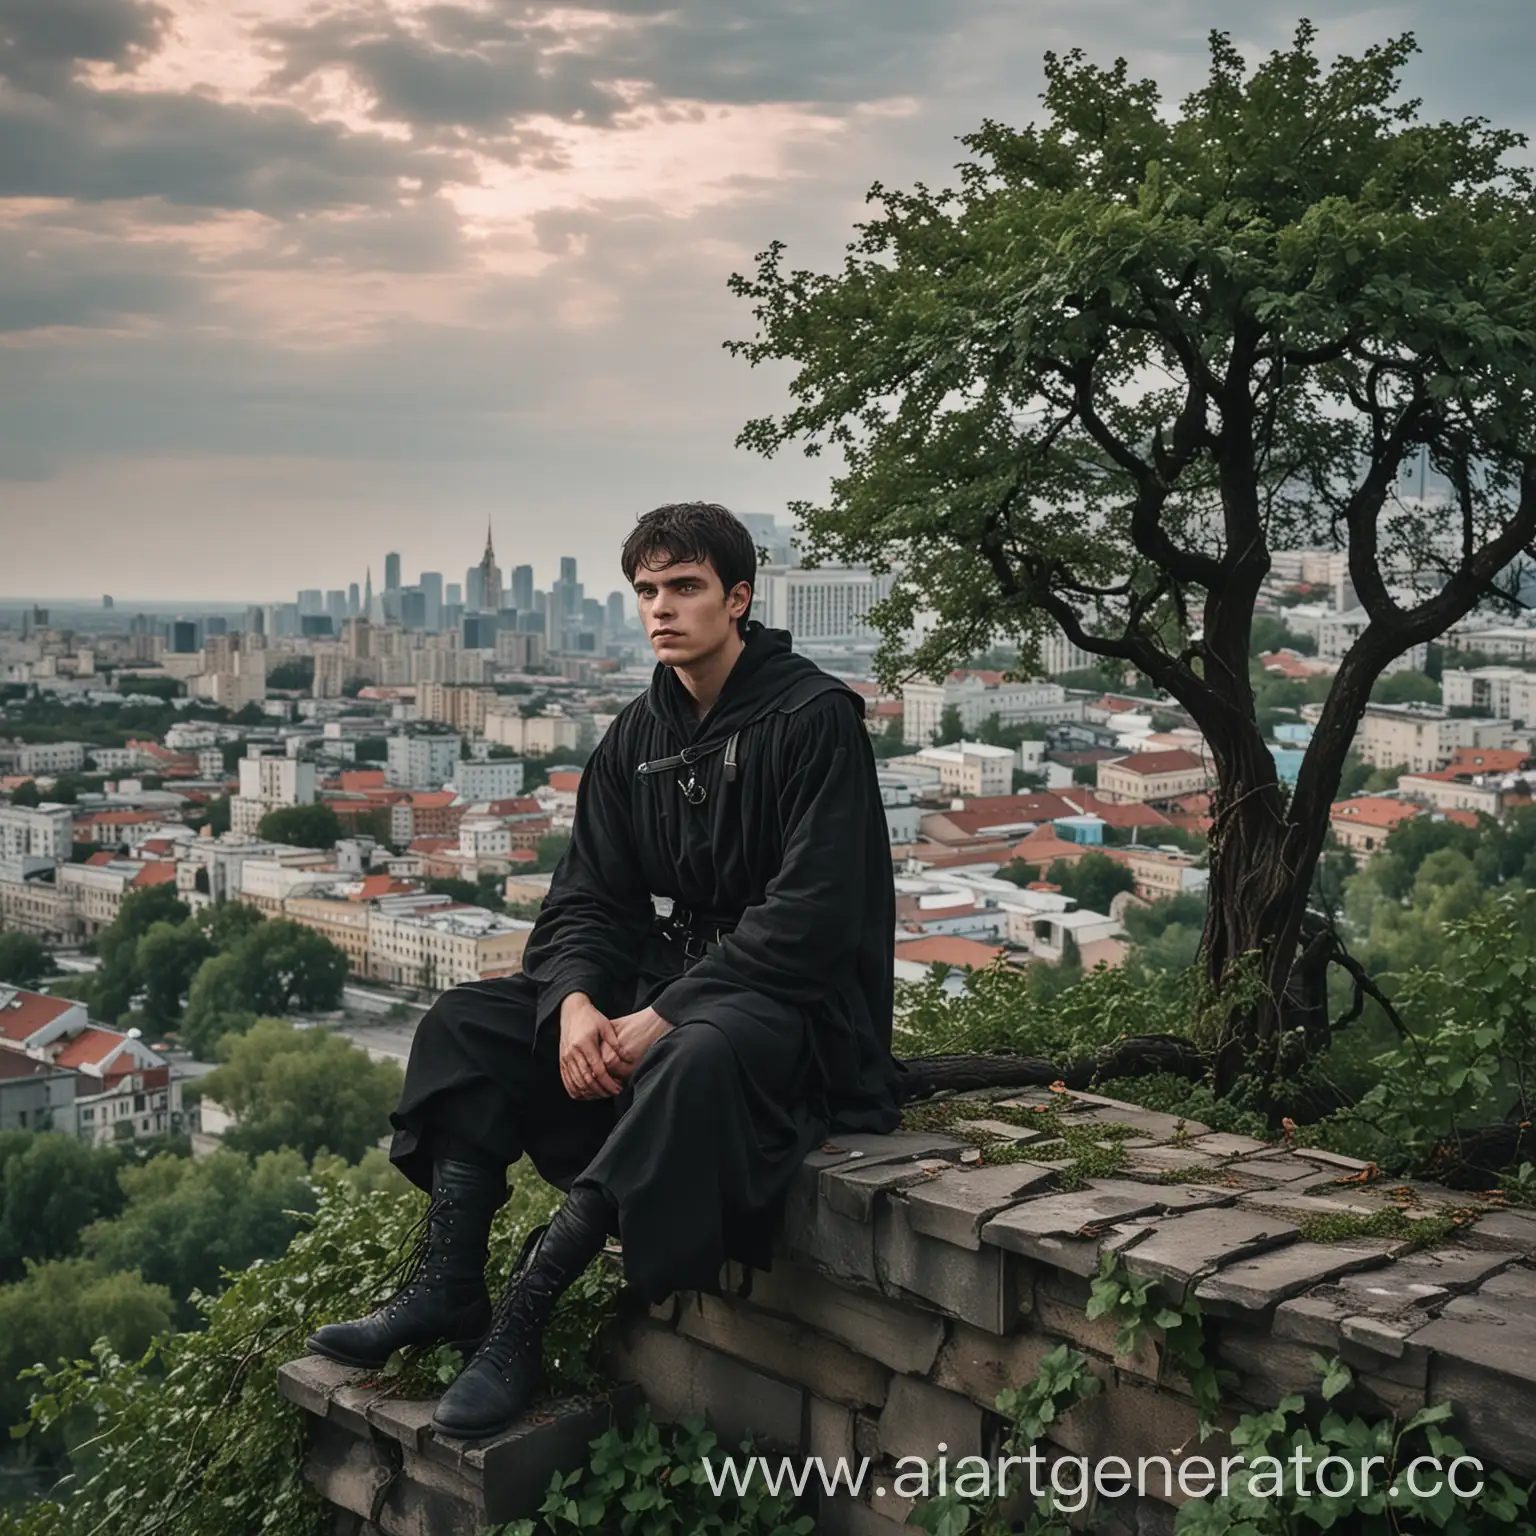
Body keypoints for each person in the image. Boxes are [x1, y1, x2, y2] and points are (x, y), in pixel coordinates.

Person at [307, 501, 905, 1441]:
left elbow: (816, 915)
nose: (662, 608)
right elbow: (587, 898)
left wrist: (663, 1015)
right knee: (469, 1021)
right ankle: (447, 1287)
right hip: (666, 980)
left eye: (686, 587)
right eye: (647, 591)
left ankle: (524, 1314)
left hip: (793, 1004)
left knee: (691, 1056)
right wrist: (579, 1001)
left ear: (738, 597)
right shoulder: (637, 735)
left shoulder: (813, 717)